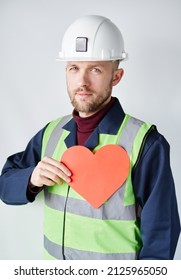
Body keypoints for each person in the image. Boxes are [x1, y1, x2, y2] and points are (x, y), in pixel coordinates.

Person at [0, 15, 180, 260]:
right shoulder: (51, 133)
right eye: (74, 68)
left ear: (116, 76)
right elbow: (5, 186)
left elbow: (162, 234)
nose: (82, 82)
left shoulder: (146, 143)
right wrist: (31, 178)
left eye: (95, 69)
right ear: (66, 71)